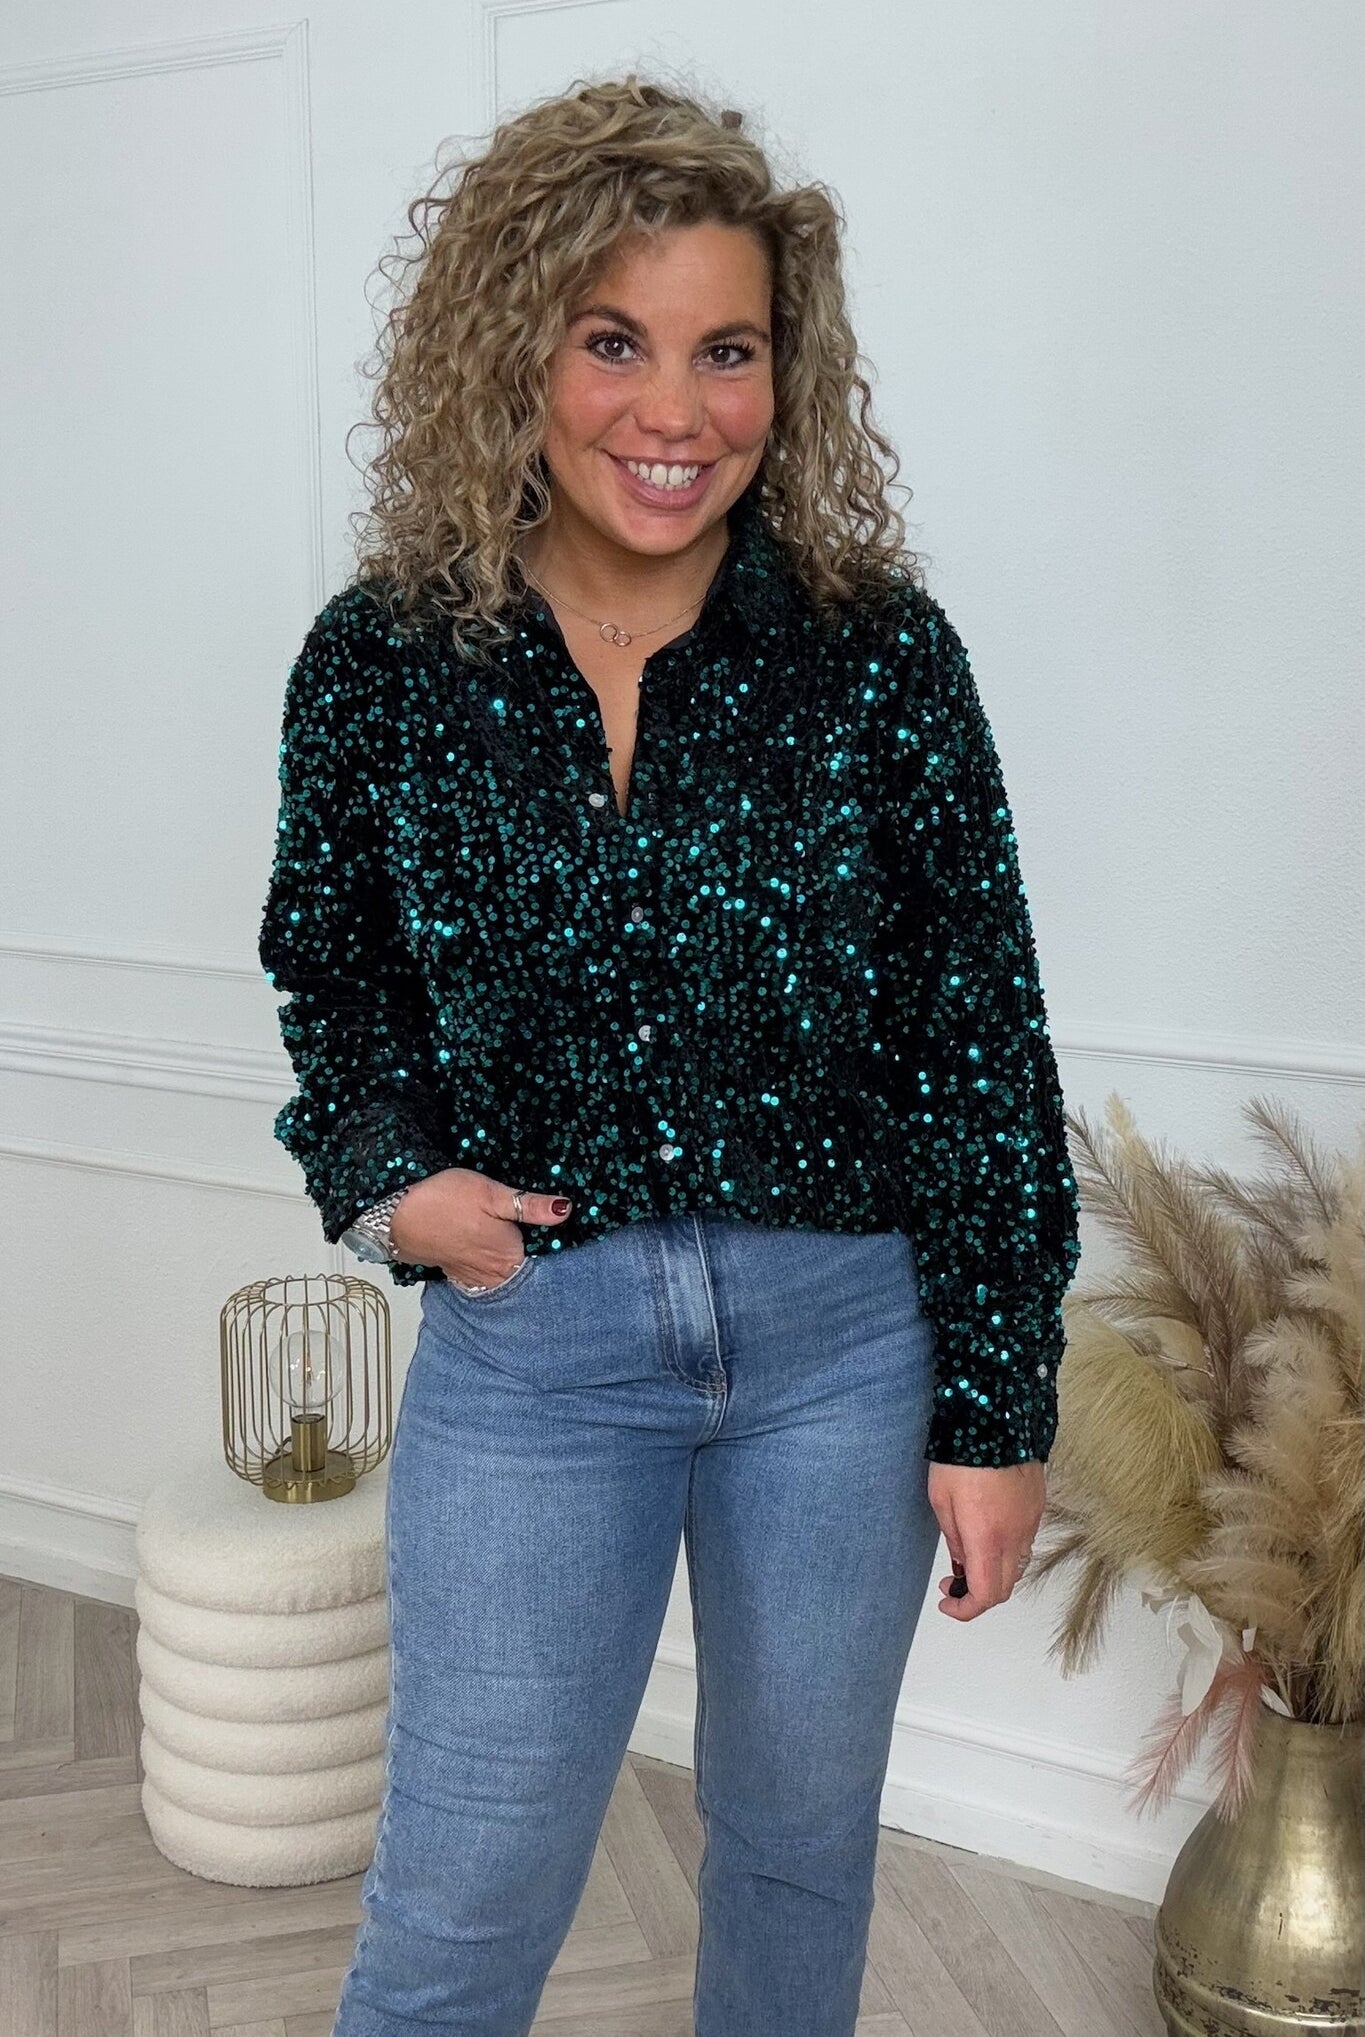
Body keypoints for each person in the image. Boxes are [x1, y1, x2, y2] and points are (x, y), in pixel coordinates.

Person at [258, 73, 1081, 2037]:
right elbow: (331, 975)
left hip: (845, 1352)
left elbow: (977, 1034)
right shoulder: (385, 660)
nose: (677, 409)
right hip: (535, 1352)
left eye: (729, 351)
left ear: (785, 373)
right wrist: (391, 1185)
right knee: (462, 1899)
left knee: (796, 1850)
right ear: (513, 349)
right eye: (613, 340)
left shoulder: (877, 657)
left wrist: (993, 1400)